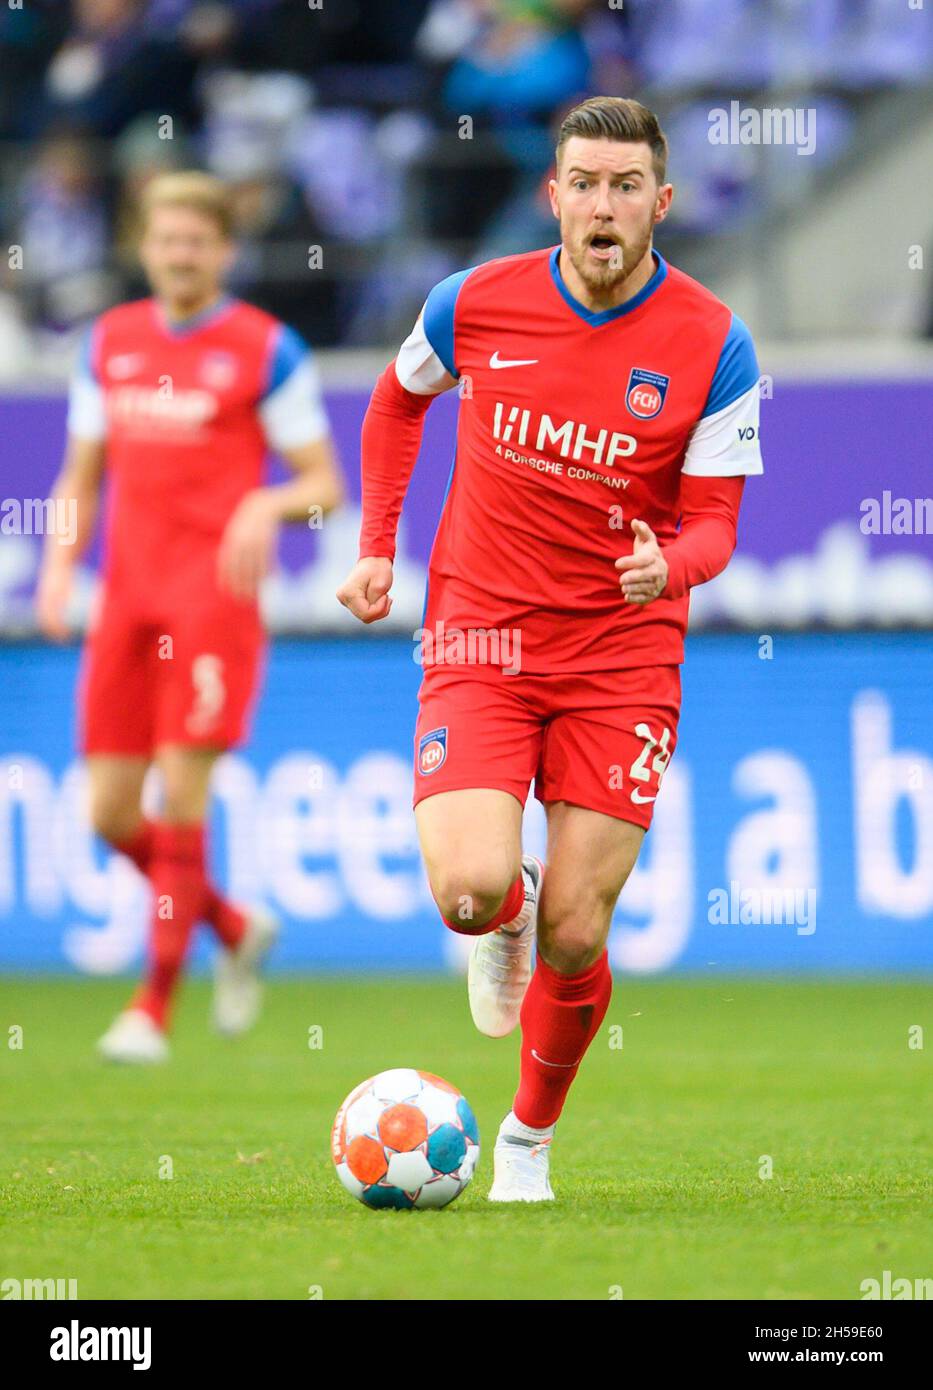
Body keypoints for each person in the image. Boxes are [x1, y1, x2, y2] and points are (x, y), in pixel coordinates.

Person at [337, 96, 763, 1200]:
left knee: (579, 933)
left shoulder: (714, 340)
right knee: (471, 893)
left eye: (627, 187)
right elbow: (393, 404)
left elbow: (716, 524)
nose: (604, 206)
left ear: (661, 203)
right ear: (555, 193)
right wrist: (378, 546)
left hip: (621, 653)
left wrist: (667, 566)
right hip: (479, 630)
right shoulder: (474, 302)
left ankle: (526, 1140)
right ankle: (506, 906)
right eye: (586, 183)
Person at [38, 171, 343, 1063]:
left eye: (196, 241)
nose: (180, 253)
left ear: (223, 250)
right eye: (166, 239)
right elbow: (78, 476)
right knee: (108, 813)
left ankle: (152, 1008)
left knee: (181, 802)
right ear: (144, 246)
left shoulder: (265, 349)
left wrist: (265, 507)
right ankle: (233, 923)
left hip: (212, 604)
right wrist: (59, 566)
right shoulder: (110, 343)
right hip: (126, 600)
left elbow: (324, 483)